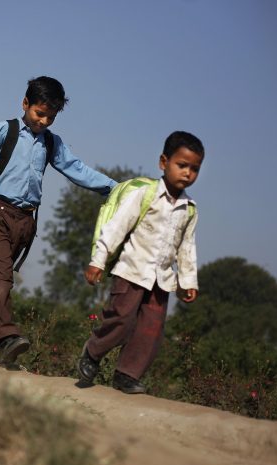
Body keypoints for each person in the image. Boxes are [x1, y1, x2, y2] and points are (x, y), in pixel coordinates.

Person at [0, 76, 117, 367]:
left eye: (51, 117)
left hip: (25, 222)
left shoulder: (51, 143)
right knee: (2, 279)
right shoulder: (4, 130)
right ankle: (7, 337)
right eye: (39, 113)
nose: (44, 121)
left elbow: (76, 168)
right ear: (25, 104)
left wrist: (113, 187)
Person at [77, 131, 204, 394]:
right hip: (130, 272)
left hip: (161, 280)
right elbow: (116, 228)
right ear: (163, 162)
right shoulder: (144, 194)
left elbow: (187, 247)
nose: (187, 173)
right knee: (120, 320)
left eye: (194, 168)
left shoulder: (190, 209)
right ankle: (92, 352)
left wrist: (188, 281)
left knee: (150, 330)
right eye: (182, 165)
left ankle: (127, 374)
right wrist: (98, 260)